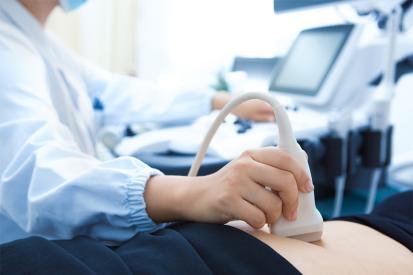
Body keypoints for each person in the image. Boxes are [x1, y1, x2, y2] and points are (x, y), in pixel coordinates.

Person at [0, 0, 306, 246]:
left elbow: (116, 91)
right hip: (32, 250)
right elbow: (34, 175)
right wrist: (191, 194)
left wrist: (217, 101)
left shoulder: (40, 42)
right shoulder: (6, 42)